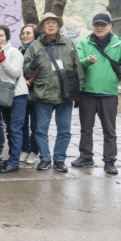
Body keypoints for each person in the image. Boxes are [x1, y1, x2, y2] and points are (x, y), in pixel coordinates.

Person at [23, 13, 84, 172]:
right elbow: (26, 71)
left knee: (64, 130)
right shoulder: (35, 46)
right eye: (47, 23)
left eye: (53, 22)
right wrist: (32, 68)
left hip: (65, 93)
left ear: (58, 25)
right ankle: (45, 158)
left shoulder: (68, 43)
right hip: (44, 93)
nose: (50, 25)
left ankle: (59, 159)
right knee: (40, 130)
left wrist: (79, 90)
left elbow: (77, 67)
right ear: (42, 27)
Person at [72, 13, 121, 175]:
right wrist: (87, 61)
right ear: (92, 26)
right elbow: (77, 64)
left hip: (109, 94)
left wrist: (113, 80)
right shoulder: (84, 43)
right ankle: (85, 157)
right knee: (86, 128)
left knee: (109, 130)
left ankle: (110, 161)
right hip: (87, 93)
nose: (100, 27)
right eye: (97, 24)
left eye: (103, 24)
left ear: (110, 26)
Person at [0, 24, 28, 174]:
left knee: (15, 129)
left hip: (17, 95)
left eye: (1, 35)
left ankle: (14, 162)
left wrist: (3, 61)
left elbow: (16, 73)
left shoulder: (14, 52)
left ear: (6, 37)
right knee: (9, 129)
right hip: (4, 95)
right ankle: (11, 159)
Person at [19, 23, 41, 165]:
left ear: (35, 35)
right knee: (22, 123)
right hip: (21, 92)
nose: (25, 36)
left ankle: (34, 151)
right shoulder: (19, 50)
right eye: (23, 33)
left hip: (36, 91)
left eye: (28, 33)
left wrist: (30, 81)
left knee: (36, 125)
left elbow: (42, 69)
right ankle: (24, 148)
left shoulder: (40, 49)